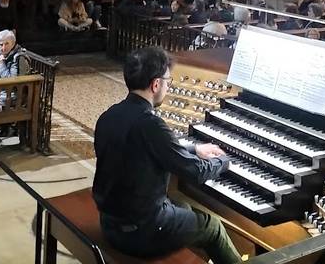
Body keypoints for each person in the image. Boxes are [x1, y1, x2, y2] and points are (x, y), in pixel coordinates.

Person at [92, 47, 241, 264]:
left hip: (110, 223)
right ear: (155, 84)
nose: (168, 87)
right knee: (213, 226)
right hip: (139, 234)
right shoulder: (150, 124)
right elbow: (195, 171)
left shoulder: (109, 115)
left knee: (184, 207)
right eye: (168, 82)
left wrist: (194, 149)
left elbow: (142, 151)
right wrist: (225, 161)